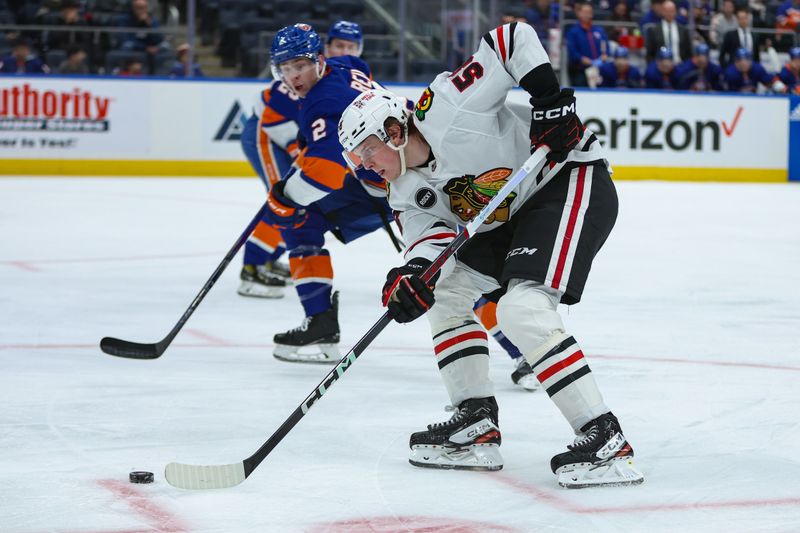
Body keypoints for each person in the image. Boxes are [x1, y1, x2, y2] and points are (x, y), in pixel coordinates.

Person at [338, 22, 643, 488]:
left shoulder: (446, 105)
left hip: (563, 179)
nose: (365, 164)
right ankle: (476, 423)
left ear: (395, 130)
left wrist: (546, 98)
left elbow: (510, 39)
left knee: (522, 309)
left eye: (367, 150)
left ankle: (605, 439)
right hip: (504, 216)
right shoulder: (401, 188)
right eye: (357, 157)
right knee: (444, 294)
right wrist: (412, 275)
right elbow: (429, 239)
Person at [261, 23, 396, 363]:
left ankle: (520, 347)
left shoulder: (323, 102)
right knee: (304, 224)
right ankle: (320, 321)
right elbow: (361, 72)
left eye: (301, 65)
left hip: (400, 184)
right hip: (381, 176)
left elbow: (324, 174)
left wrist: (284, 198)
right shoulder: (345, 65)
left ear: (320, 60)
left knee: (449, 268)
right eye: (286, 68)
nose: (294, 76)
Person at [237, 20, 365, 300]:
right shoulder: (302, 74)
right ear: (327, 49)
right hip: (265, 135)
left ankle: (267, 259)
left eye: (351, 46)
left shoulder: (339, 74)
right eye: (340, 45)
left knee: (298, 202)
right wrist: (298, 149)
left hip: (298, 140)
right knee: (285, 199)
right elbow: (267, 114)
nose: (346, 50)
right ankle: (252, 268)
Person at [565, 2, 610, 87]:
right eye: (585, 12)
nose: (587, 15)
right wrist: (583, 59)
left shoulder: (599, 30)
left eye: (589, 12)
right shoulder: (573, 32)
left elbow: (605, 45)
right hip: (579, 70)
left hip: (598, 69)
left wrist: (605, 55)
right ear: (579, 14)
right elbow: (572, 51)